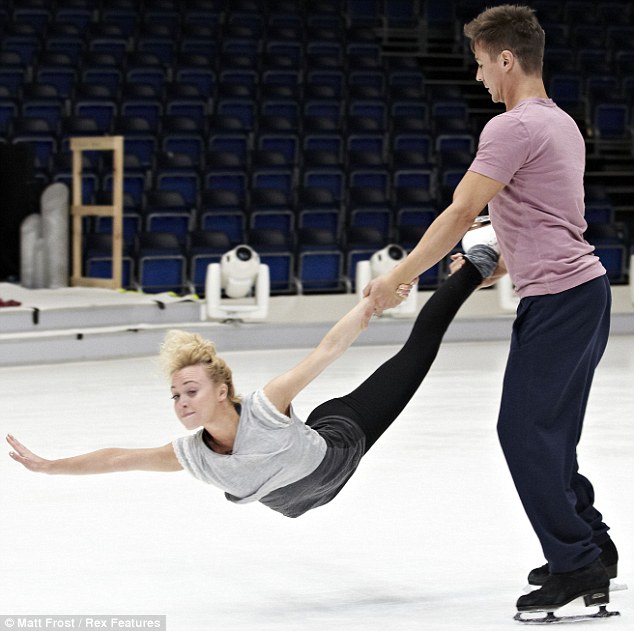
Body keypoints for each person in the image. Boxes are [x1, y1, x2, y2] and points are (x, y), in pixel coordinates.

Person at [364, 3, 617, 617]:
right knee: (550, 433)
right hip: (583, 292)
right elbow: (550, 212)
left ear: (507, 59)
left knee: (523, 433)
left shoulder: (511, 128)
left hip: (559, 300)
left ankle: (577, 563)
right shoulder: (560, 122)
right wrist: (507, 259)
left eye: (481, 64)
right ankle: (592, 544)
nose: (478, 77)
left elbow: (459, 213)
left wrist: (397, 277)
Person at [7, 238, 499, 519]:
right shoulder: (194, 455)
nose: (181, 402)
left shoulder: (266, 405)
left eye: (191, 390)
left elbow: (328, 349)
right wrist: (51, 467)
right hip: (308, 485)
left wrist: (372, 302)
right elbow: (119, 458)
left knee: (417, 352)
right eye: (175, 395)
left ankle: (474, 265)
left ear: (223, 391)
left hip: (342, 437)